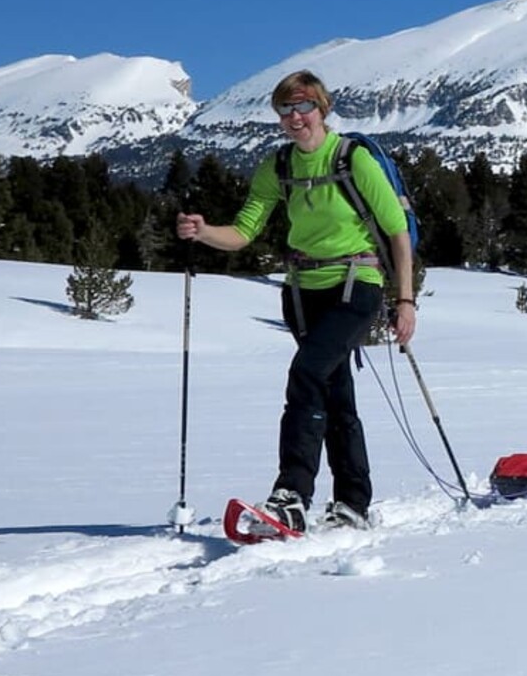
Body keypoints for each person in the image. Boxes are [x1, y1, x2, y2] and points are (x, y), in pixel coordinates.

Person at [176, 71, 416, 532]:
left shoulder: (353, 158)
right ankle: (352, 503)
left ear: (322, 109)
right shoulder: (278, 167)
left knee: (306, 374)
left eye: (303, 107)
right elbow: (244, 232)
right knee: (334, 390)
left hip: (356, 284)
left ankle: (291, 494)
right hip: (302, 292)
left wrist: (405, 300)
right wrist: (204, 231)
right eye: (285, 110)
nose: (294, 118)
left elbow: (397, 232)